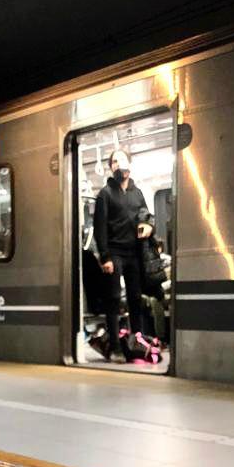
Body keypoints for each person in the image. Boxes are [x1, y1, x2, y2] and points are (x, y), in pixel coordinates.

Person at [93, 150, 153, 362]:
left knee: (136, 298)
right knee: (114, 298)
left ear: (130, 164)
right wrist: (105, 257)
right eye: (115, 161)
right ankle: (116, 347)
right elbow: (99, 228)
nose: (119, 164)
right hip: (115, 252)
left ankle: (136, 343)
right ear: (111, 167)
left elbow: (146, 215)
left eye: (122, 160)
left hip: (134, 253)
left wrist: (148, 225)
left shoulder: (138, 193)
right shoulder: (105, 194)